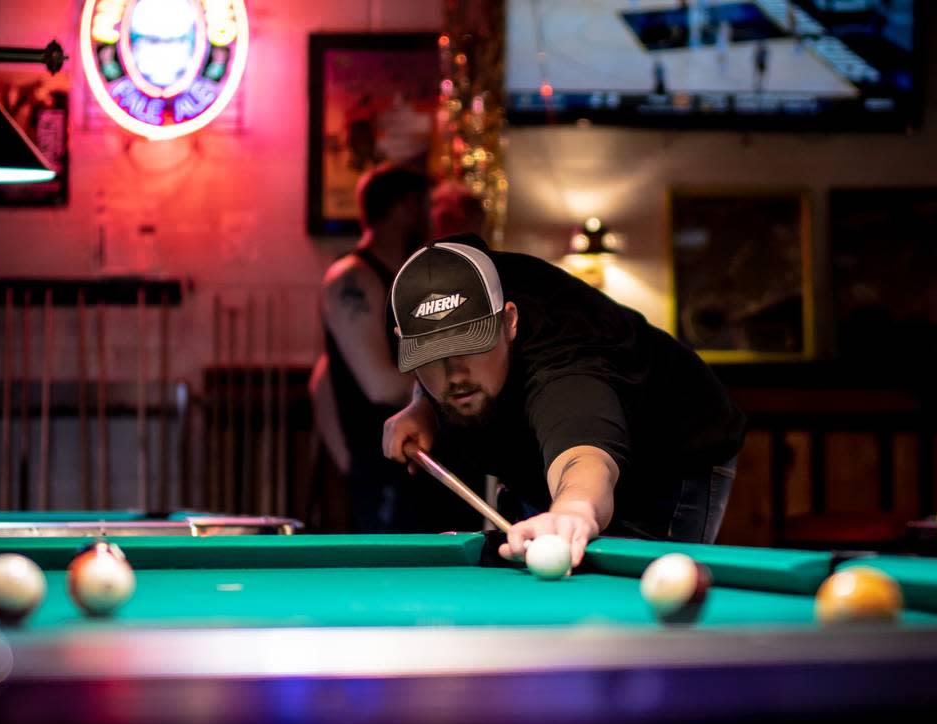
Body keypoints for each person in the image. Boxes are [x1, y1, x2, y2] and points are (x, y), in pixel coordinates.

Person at [382, 234, 745, 568]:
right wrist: (423, 406)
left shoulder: (566, 362)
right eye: (432, 356)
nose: (454, 374)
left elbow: (583, 455)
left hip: (669, 455)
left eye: (470, 345)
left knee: (633, 606)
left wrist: (574, 508)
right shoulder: (411, 300)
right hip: (538, 457)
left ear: (509, 321)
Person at [311, 163, 429, 532]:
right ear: (404, 208)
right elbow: (378, 385)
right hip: (382, 464)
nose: (430, 217)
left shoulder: (411, 274)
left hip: (418, 458)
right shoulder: (353, 277)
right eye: (424, 205)